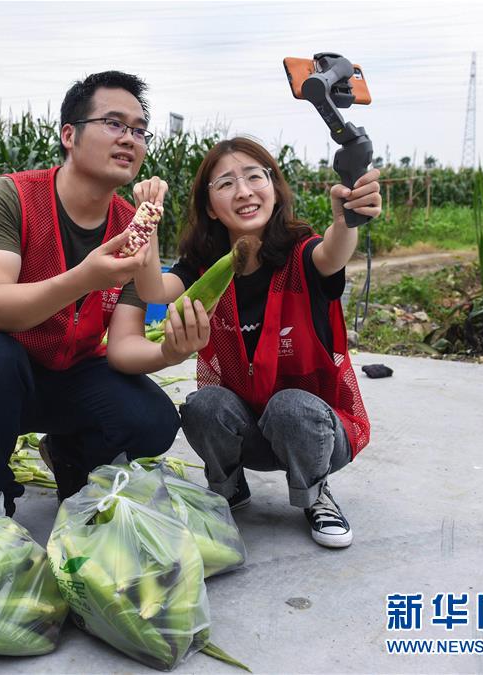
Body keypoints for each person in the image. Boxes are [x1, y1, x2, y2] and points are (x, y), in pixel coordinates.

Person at [0, 71, 203, 516]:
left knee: (156, 421)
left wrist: (170, 353)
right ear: (69, 134)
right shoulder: (10, 198)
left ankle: (71, 459)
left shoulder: (132, 226)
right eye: (114, 123)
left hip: (73, 375)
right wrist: (85, 277)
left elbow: (123, 348)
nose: (130, 138)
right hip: (7, 379)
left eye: (139, 130)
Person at [107, 136, 382, 548]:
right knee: (202, 404)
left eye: (255, 176)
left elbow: (332, 253)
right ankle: (229, 485)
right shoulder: (204, 267)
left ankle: (316, 492)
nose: (245, 191)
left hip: (316, 431)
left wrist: (346, 221)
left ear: (274, 188)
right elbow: (153, 291)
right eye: (226, 184)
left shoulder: (302, 254)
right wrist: (147, 219)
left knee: (292, 407)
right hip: (247, 430)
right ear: (210, 208)